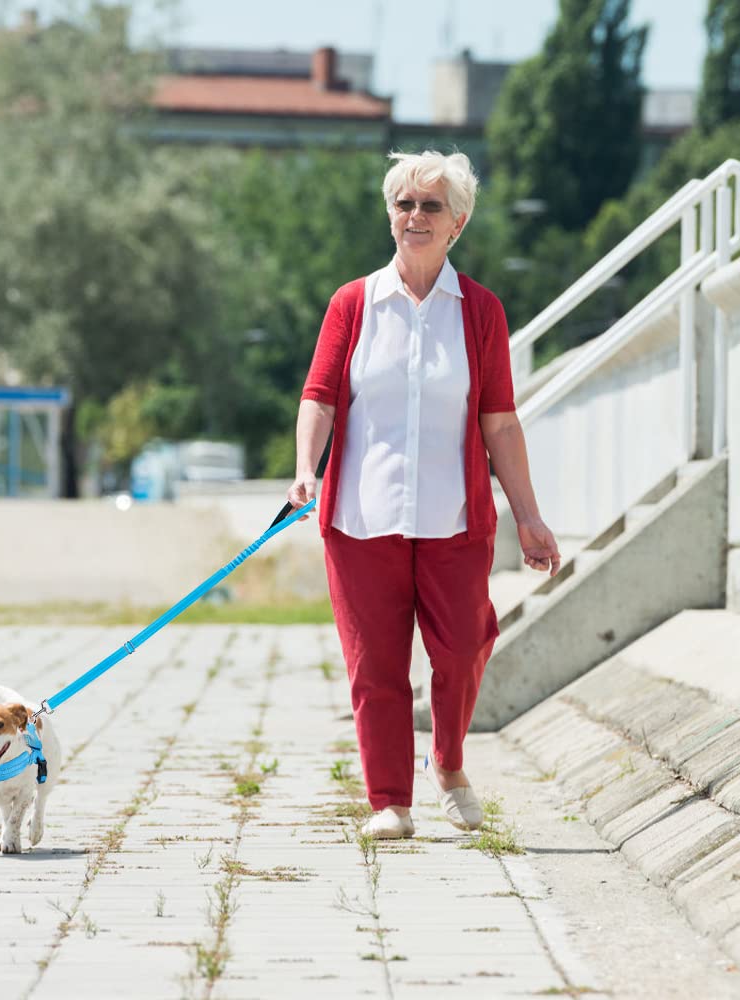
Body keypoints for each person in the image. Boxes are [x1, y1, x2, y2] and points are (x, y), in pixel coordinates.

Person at [287, 150, 560, 840]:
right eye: (404, 204)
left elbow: (498, 420)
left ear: (457, 224)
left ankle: (447, 760)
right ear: (390, 215)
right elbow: (319, 396)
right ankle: (390, 802)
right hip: (359, 517)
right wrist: (304, 467)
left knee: (467, 643)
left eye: (430, 206)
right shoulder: (353, 304)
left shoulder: (481, 313)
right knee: (374, 665)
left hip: (454, 518)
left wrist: (527, 516)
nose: (414, 216)